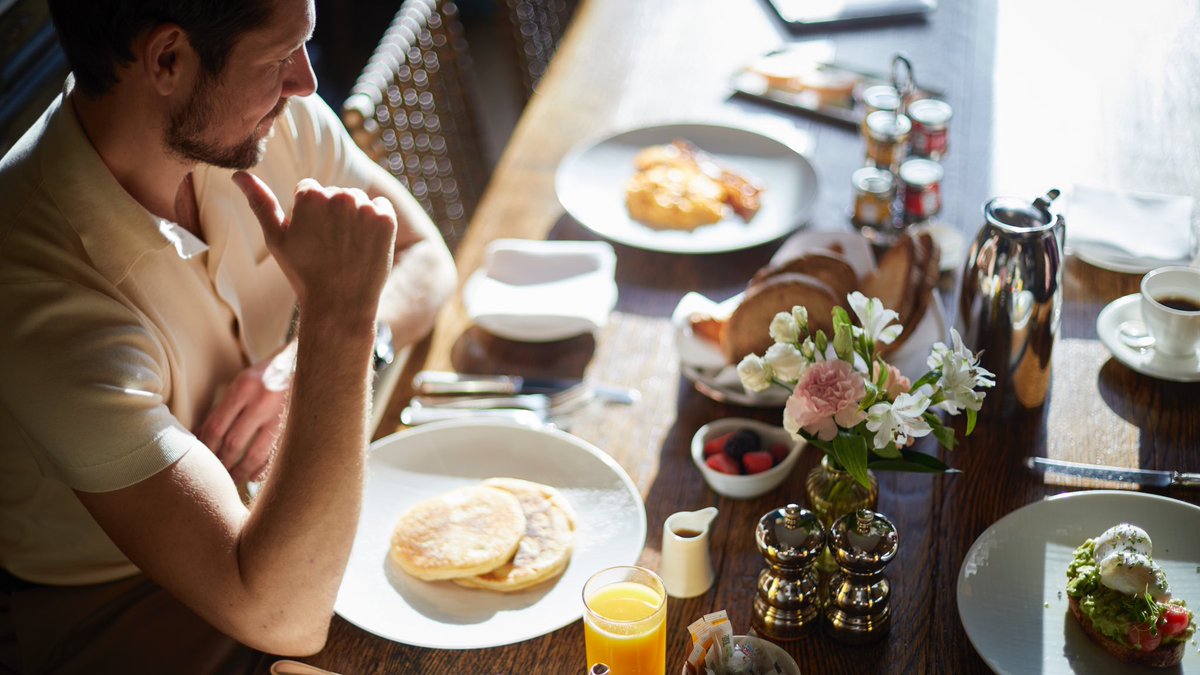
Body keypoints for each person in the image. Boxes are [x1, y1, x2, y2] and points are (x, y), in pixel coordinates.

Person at [0, 0, 457, 671]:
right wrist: (337, 320)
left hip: (292, 537)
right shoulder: (31, 278)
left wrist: (303, 370)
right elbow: (282, 614)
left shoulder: (259, 121)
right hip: (125, 612)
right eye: (278, 58)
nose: (306, 81)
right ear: (168, 61)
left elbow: (425, 257)